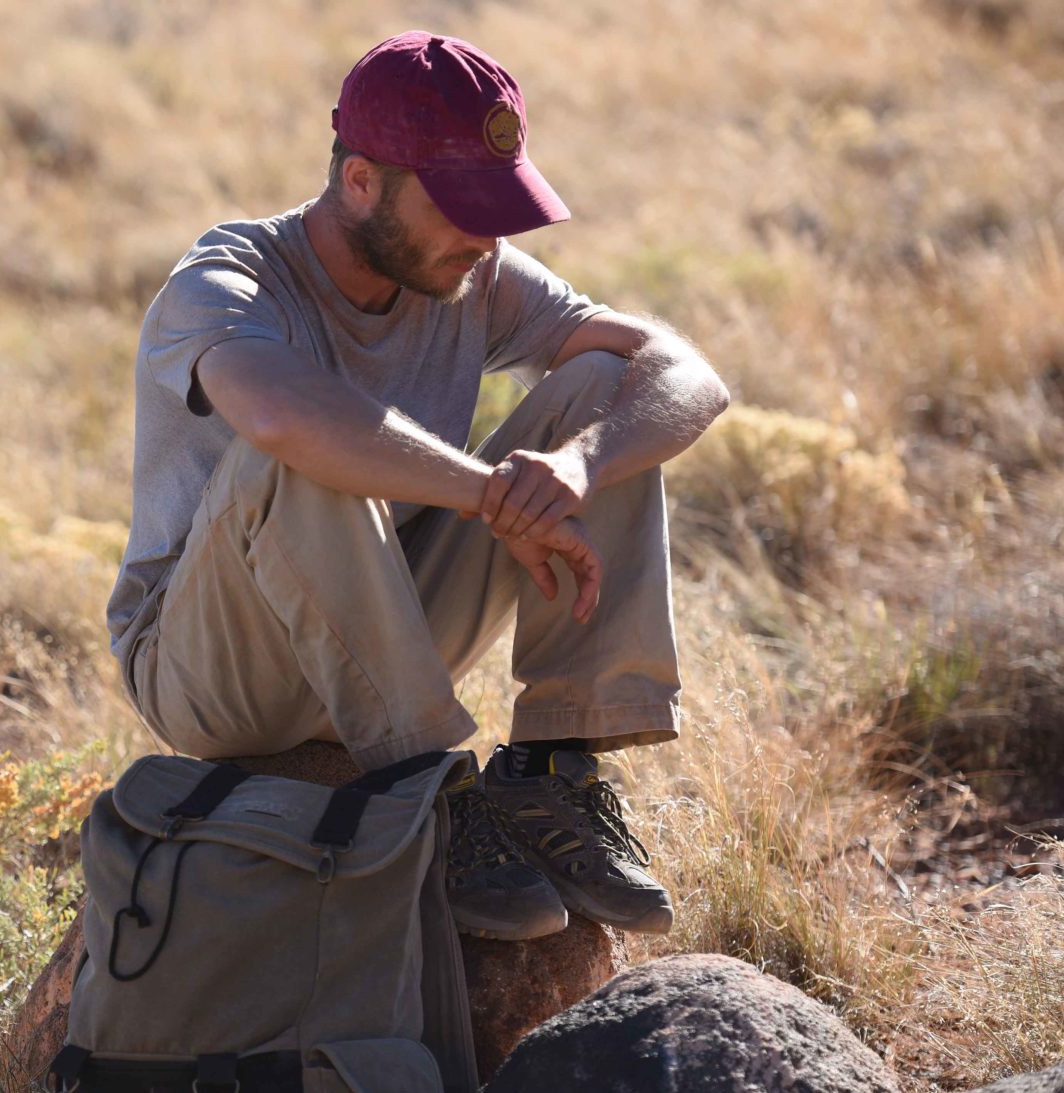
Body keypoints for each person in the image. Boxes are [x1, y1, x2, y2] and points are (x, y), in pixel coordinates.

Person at [105, 31, 730, 942]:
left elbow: (687, 373)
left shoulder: (473, 271)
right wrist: (488, 496)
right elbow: (284, 420)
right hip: (216, 671)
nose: (487, 237)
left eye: (501, 205)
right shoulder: (224, 281)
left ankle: (554, 769)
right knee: (295, 449)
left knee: (605, 391)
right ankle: (428, 787)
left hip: (378, 616)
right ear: (361, 182)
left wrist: (575, 466)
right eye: (461, 206)